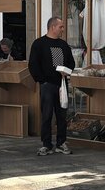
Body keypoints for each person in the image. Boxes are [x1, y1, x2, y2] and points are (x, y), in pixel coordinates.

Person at [28, 16, 75, 156]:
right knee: (47, 115)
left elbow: (71, 62)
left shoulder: (63, 45)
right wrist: (42, 80)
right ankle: (46, 144)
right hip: (47, 85)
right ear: (52, 27)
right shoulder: (39, 44)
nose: (63, 29)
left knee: (62, 115)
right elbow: (33, 64)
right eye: (61, 27)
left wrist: (67, 71)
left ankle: (61, 142)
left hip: (62, 85)